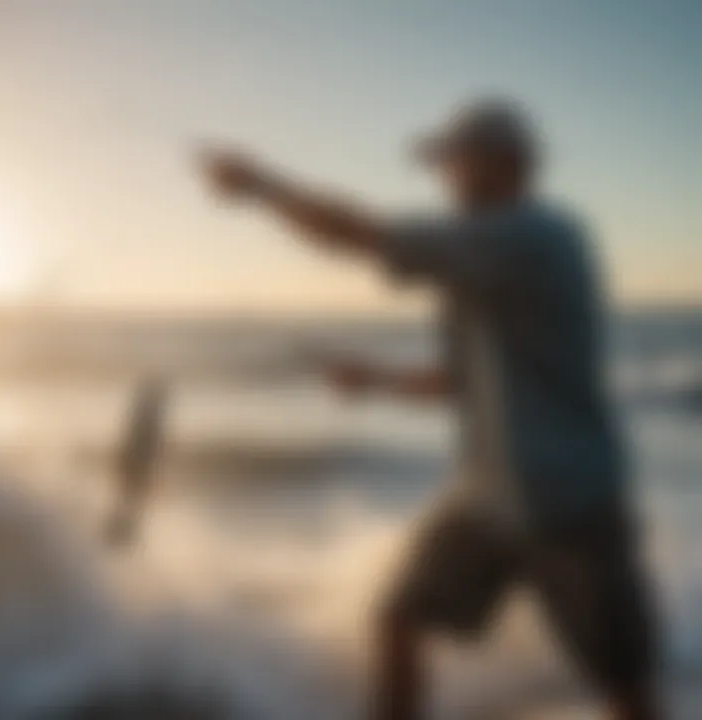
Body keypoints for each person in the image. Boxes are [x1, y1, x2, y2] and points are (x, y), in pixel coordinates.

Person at [199, 98, 661, 720]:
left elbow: (362, 235)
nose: (444, 175)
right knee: (396, 620)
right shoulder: (480, 263)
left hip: (571, 505)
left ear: (507, 163)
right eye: (441, 163)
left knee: (622, 686)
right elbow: (459, 383)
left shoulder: (534, 235)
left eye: (453, 160)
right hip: (486, 501)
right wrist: (378, 381)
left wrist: (261, 187)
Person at [105, 376, 167, 548]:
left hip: (137, 464)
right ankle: (120, 534)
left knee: (127, 501)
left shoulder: (144, 419)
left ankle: (119, 534)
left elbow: (136, 444)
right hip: (139, 465)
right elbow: (147, 446)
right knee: (129, 501)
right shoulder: (149, 420)